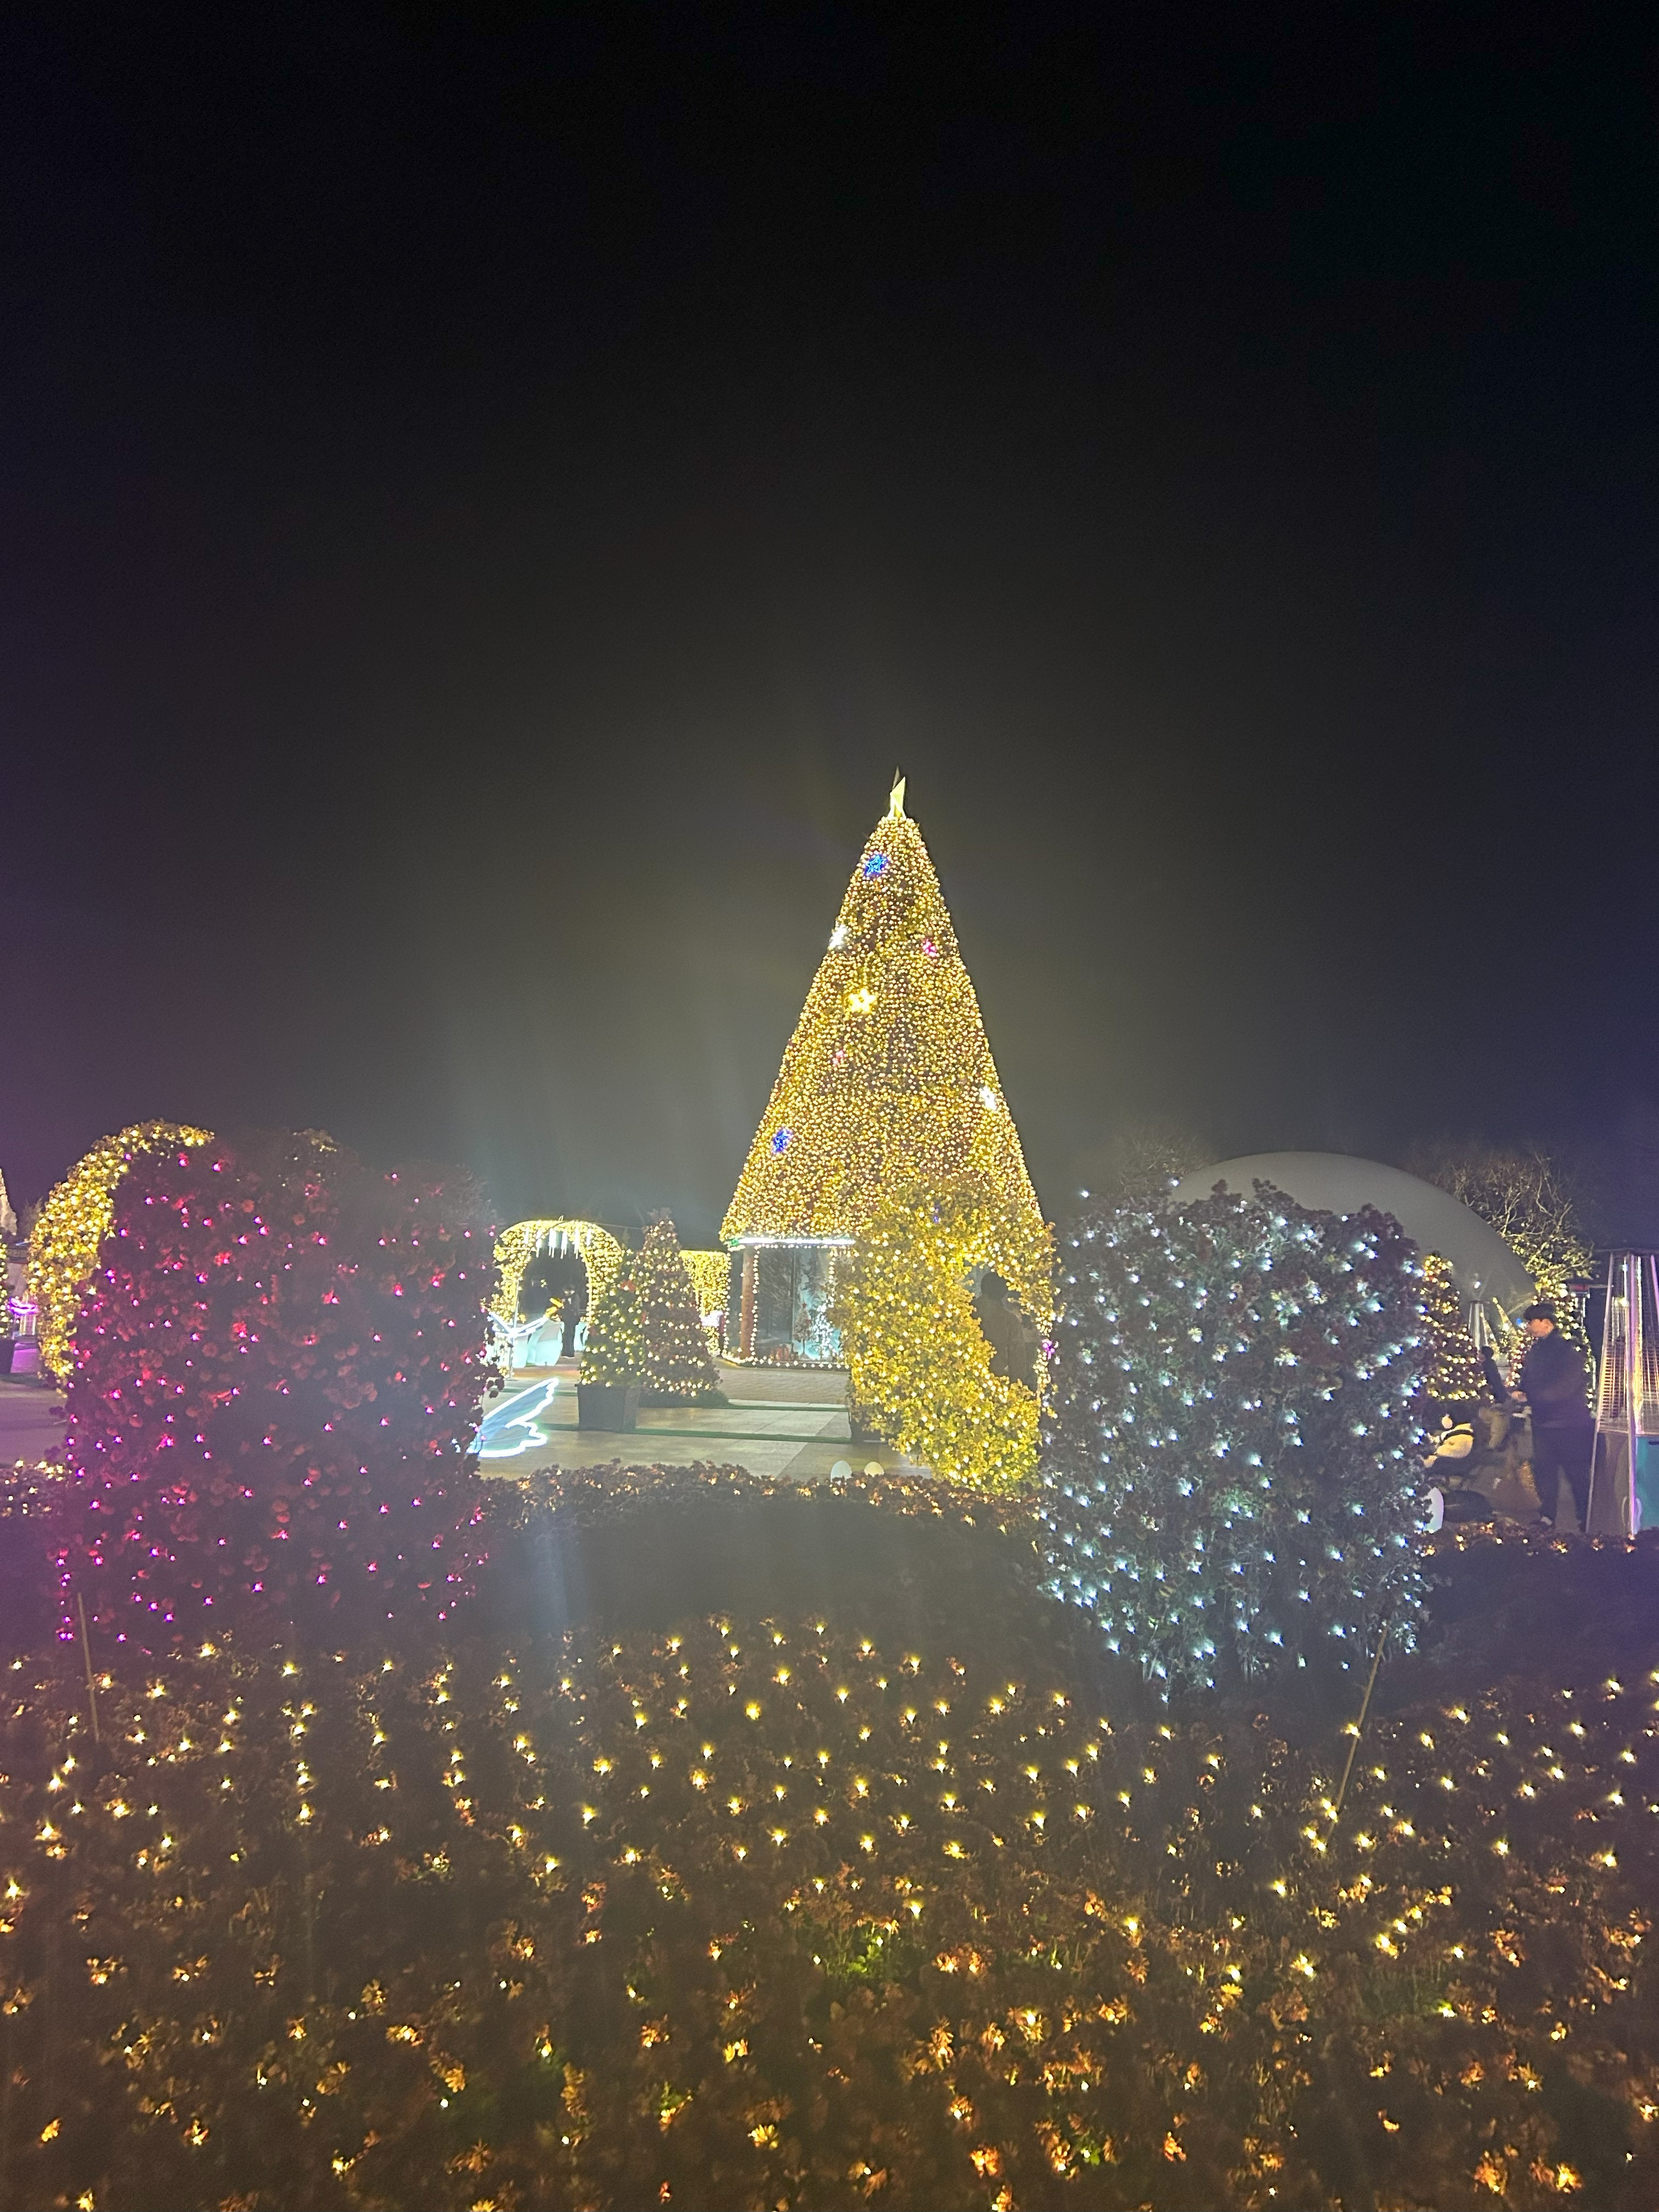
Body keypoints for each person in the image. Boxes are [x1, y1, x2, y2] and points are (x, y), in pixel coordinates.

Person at [1515, 1302, 1594, 1530]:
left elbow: (1565, 1387)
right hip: (1546, 1422)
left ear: (1546, 1323)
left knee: (1575, 1473)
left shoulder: (1566, 1351)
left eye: (1531, 1322)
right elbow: (1530, 1378)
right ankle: (1548, 1516)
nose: (1528, 1327)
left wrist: (1533, 1397)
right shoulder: (1537, 1350)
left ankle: (1583, 1517)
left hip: (1568, 1424)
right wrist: (1523, 1391)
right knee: (1546, 1471)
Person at [973, 1269, 1040, 1389]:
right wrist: (1016, 1389)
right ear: (1003, 1292)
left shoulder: (967, 1312)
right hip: (994, 1381)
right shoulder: (1010, 1321)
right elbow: (1017, 1361)